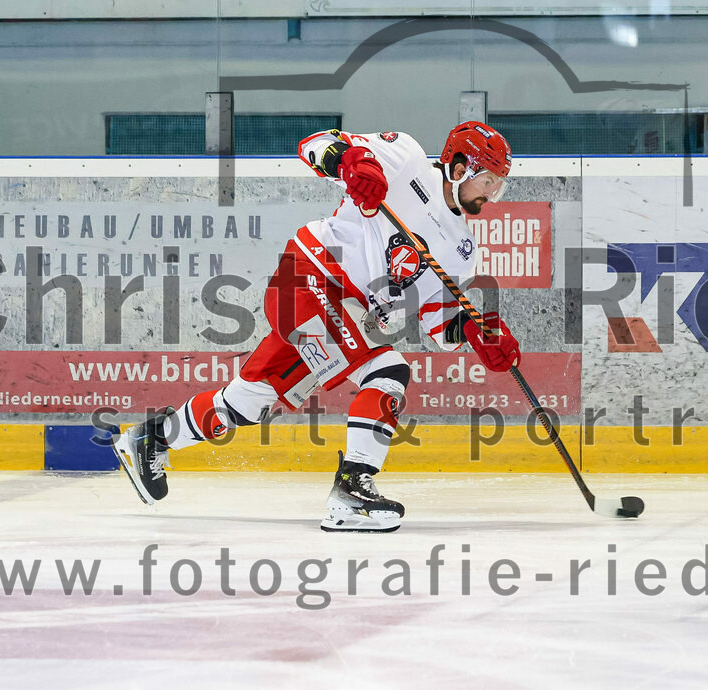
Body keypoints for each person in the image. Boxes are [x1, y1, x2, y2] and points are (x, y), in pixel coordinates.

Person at [113, 121, 522, 532]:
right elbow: (316, 143)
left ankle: (151, 438)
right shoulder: (406, 158)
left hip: (339, 315)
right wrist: (350, 162)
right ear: (458, 166)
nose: (491, 193)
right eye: (487, 180)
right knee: (387, 371)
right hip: (309, 276)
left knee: (246, 402)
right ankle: (352, 493)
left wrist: (472, 332)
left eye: (497, 184)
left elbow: (439, 325)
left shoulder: (462, 251)